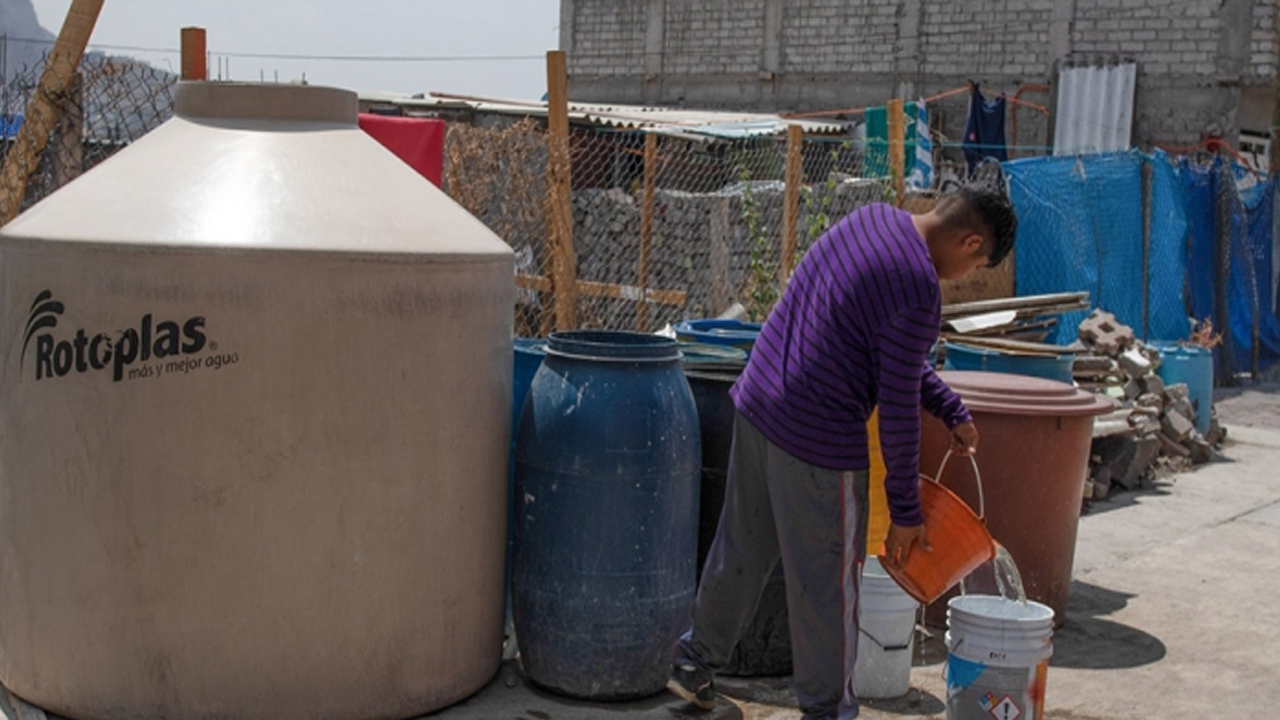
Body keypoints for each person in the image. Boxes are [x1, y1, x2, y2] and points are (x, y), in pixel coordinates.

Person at [667, 185, 1017, 720]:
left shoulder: (874, 221)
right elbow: (896, 408)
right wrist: (905, 513)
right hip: (816, 441)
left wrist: (948, 406)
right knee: (828, 590)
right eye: (975, 268)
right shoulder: (918, 286)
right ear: (971, 242)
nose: (963, 278)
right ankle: (828, 712)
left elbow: (887, 351)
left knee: (740, 550)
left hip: (758, 402)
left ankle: (692, 663)